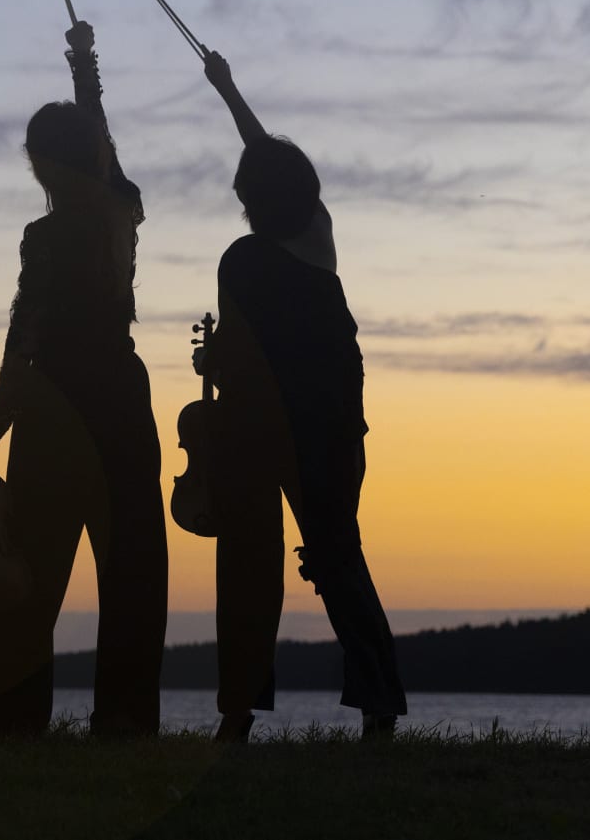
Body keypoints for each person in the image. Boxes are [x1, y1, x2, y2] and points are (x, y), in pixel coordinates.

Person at [0, 21, 168, 737]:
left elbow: (25, 334)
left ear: (46, 162)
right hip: (120, 395)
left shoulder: (44, 237)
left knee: (33, 567)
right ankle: (126, 718)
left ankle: (6, 715)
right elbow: (100, 140)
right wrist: (84, 65)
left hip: (53, 405)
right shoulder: (122, 207)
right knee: (132, 564)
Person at [196, 50, 407, 742]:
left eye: (244, 194)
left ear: (257, 201)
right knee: (339, 559)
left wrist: (212, 360)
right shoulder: (318, 236)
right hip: (332, 428)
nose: (239, 201)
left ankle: (236, 713)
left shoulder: (242, 259)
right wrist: (228, 89)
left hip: (266, 433)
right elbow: (266, 155)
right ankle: (379, 706)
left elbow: (235, 356)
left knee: (251, 568)